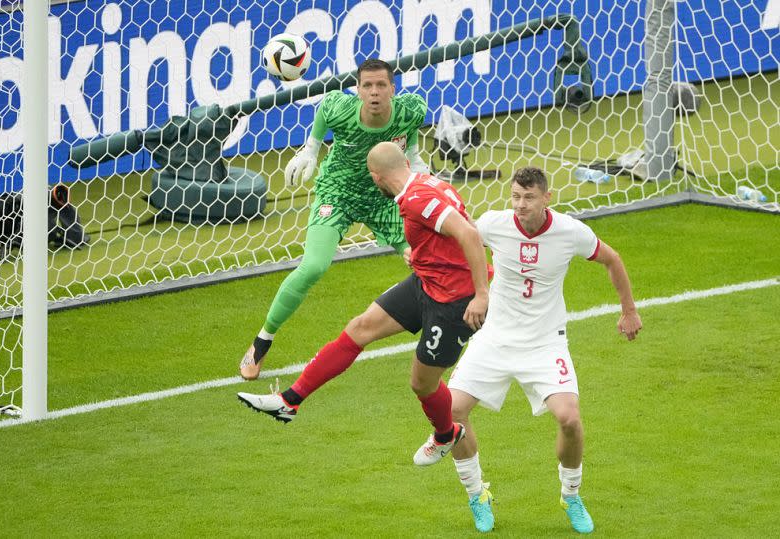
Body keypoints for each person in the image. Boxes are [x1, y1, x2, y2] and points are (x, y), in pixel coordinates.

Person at [238, 141, 489, 466]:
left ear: (376, 175)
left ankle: (445, 435)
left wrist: (482, 294)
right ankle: (289, 402)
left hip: (454, 302)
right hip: (427, 282)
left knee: (422, 383)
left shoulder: (416, 199)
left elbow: (469, 235)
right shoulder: (425, 184)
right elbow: (446, 234)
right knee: (360, 328)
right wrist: (423, 255)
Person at [445, 166, 642, 534]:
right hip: (494, 339)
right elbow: (462, 240)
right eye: (516, 197)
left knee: (569, 418)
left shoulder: (570, 232)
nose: (520, 205)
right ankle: (477, 494)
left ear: (547, 198)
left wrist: (628, 310)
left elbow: (611, 259)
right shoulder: (493, 223)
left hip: (545, 341)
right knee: (451, 412)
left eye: (529, 198)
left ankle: (571, 495)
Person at [240, 59, 429, 380]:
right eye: (367, 86)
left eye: (381, 85)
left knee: (426, 260)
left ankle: (449, 328)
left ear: (392, 90)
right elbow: (324, 110)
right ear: (357, 90)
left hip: (383, 198)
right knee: (313, 266)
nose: (374, 92)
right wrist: (311, 150)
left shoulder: (412, 109)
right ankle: (261, 341)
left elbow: (408, 137)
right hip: (337, 194)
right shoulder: (340, 108)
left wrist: (414, 158)